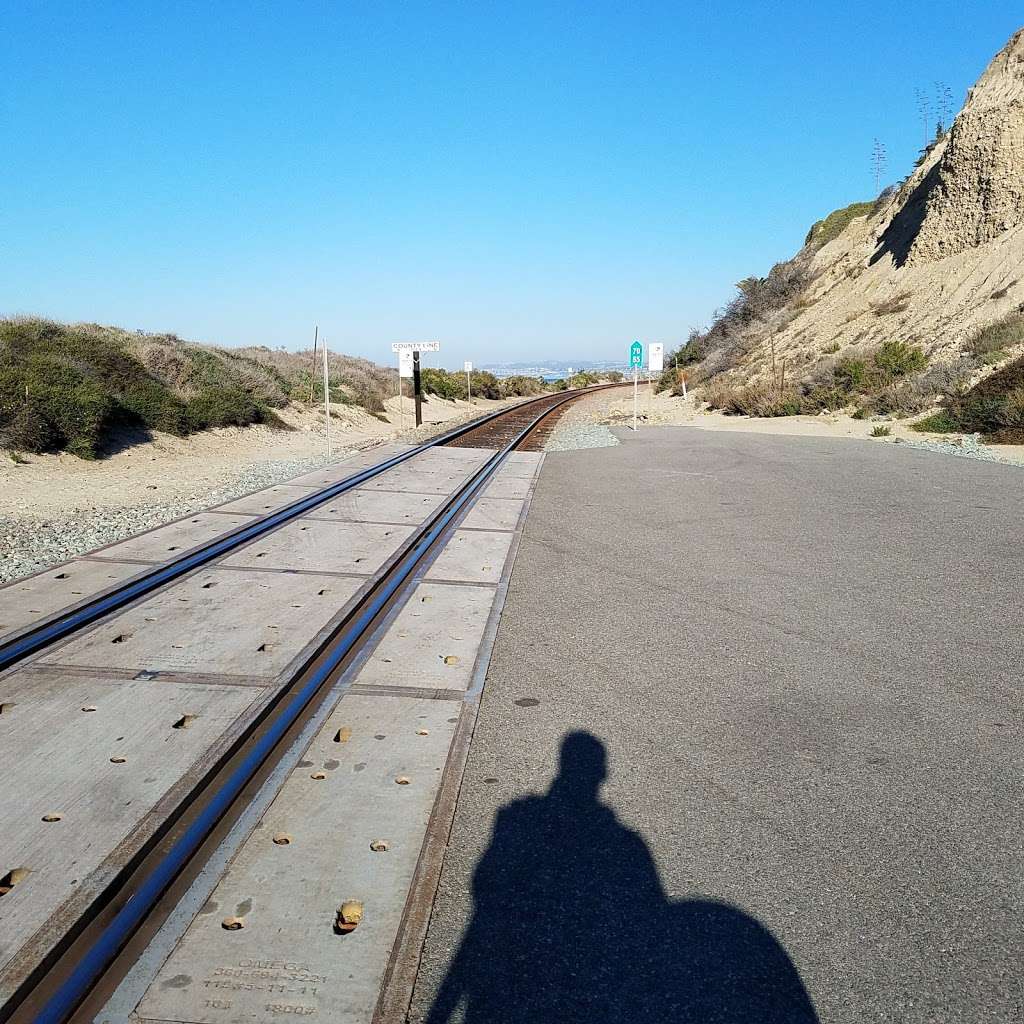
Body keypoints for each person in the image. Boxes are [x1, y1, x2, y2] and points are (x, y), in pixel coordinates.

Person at [426, 731, 818, 1024]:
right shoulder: (627, 844)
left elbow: (488, 888)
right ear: (602, 773)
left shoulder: (518, 819)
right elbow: (647, 913)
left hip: (508, 978)